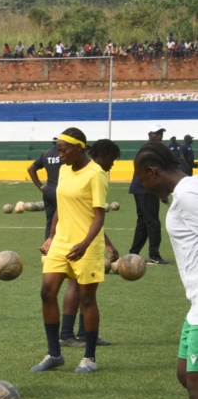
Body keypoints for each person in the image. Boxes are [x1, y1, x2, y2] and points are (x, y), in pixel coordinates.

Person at [133, 142, 198, 399]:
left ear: (154, 172)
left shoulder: (189, 195)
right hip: (194, 308)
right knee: (184, 376)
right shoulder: (183, 195)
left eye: (144, 181)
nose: (145, 188)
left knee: (196, 386)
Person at [32, 128, 109, 373]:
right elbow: (59, 207)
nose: (59, 154)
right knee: (47, 292)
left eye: (63, 150)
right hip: (61, 242)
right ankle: (54, 353)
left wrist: (85, 244)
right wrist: (52, 237)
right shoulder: (64, 170)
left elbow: (99, 216)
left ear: (80, 148)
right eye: (58, 149)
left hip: (86, 245)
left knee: (87, 299)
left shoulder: (96, 174)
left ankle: (89, 358)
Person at [58, 140, 121, 347]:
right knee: (78, 287)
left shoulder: (75, 171)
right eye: (112, 159)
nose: (112, 165)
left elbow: (88, 216)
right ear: (103, 155)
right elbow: (94, 217)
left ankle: (80, 333)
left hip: (73, 237)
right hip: (80, 241)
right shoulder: (94, 174)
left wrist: (108, 244)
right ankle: (68, 334)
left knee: (80, 288)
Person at [128, 124, 169, 264]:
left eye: (161, 134)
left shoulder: (150, 149)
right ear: (149, 134)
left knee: (144, 221)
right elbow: (153, 173)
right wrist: (161, 192)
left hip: (141, 189)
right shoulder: (149, 151)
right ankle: (154, 255)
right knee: (153, 222)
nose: (159, 136)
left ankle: (133, 253)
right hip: (145, 189)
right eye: (156, 133)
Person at [27, 138, 62, 239]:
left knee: (50, 223)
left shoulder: (46, 154)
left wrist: (41, 187)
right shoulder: (66, 154)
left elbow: (31, 169)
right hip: (62, 192)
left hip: (48, 191)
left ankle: (47, 247)